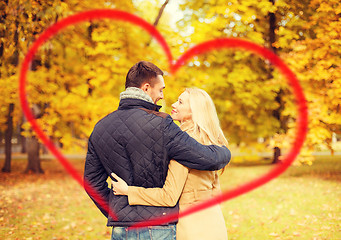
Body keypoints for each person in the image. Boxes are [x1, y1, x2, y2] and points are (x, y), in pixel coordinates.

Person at [84, 61, 231, 240]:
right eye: (160, 90)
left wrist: (118, 211)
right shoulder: (162, 124)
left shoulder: (100, 128)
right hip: (157, 227)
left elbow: (91, 182)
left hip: (121, 228)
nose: (162, 96)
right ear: (146, 88)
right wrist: (225, 152)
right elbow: (208, 158)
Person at [111, 88, 229, 240]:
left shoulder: (184, 144)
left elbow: (169, 197)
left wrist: (128, 191)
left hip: (192, 226)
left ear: (194, 111)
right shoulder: (211, 140)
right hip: (214, 222)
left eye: (180, 102)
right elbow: (215, 191)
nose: (174, 104)